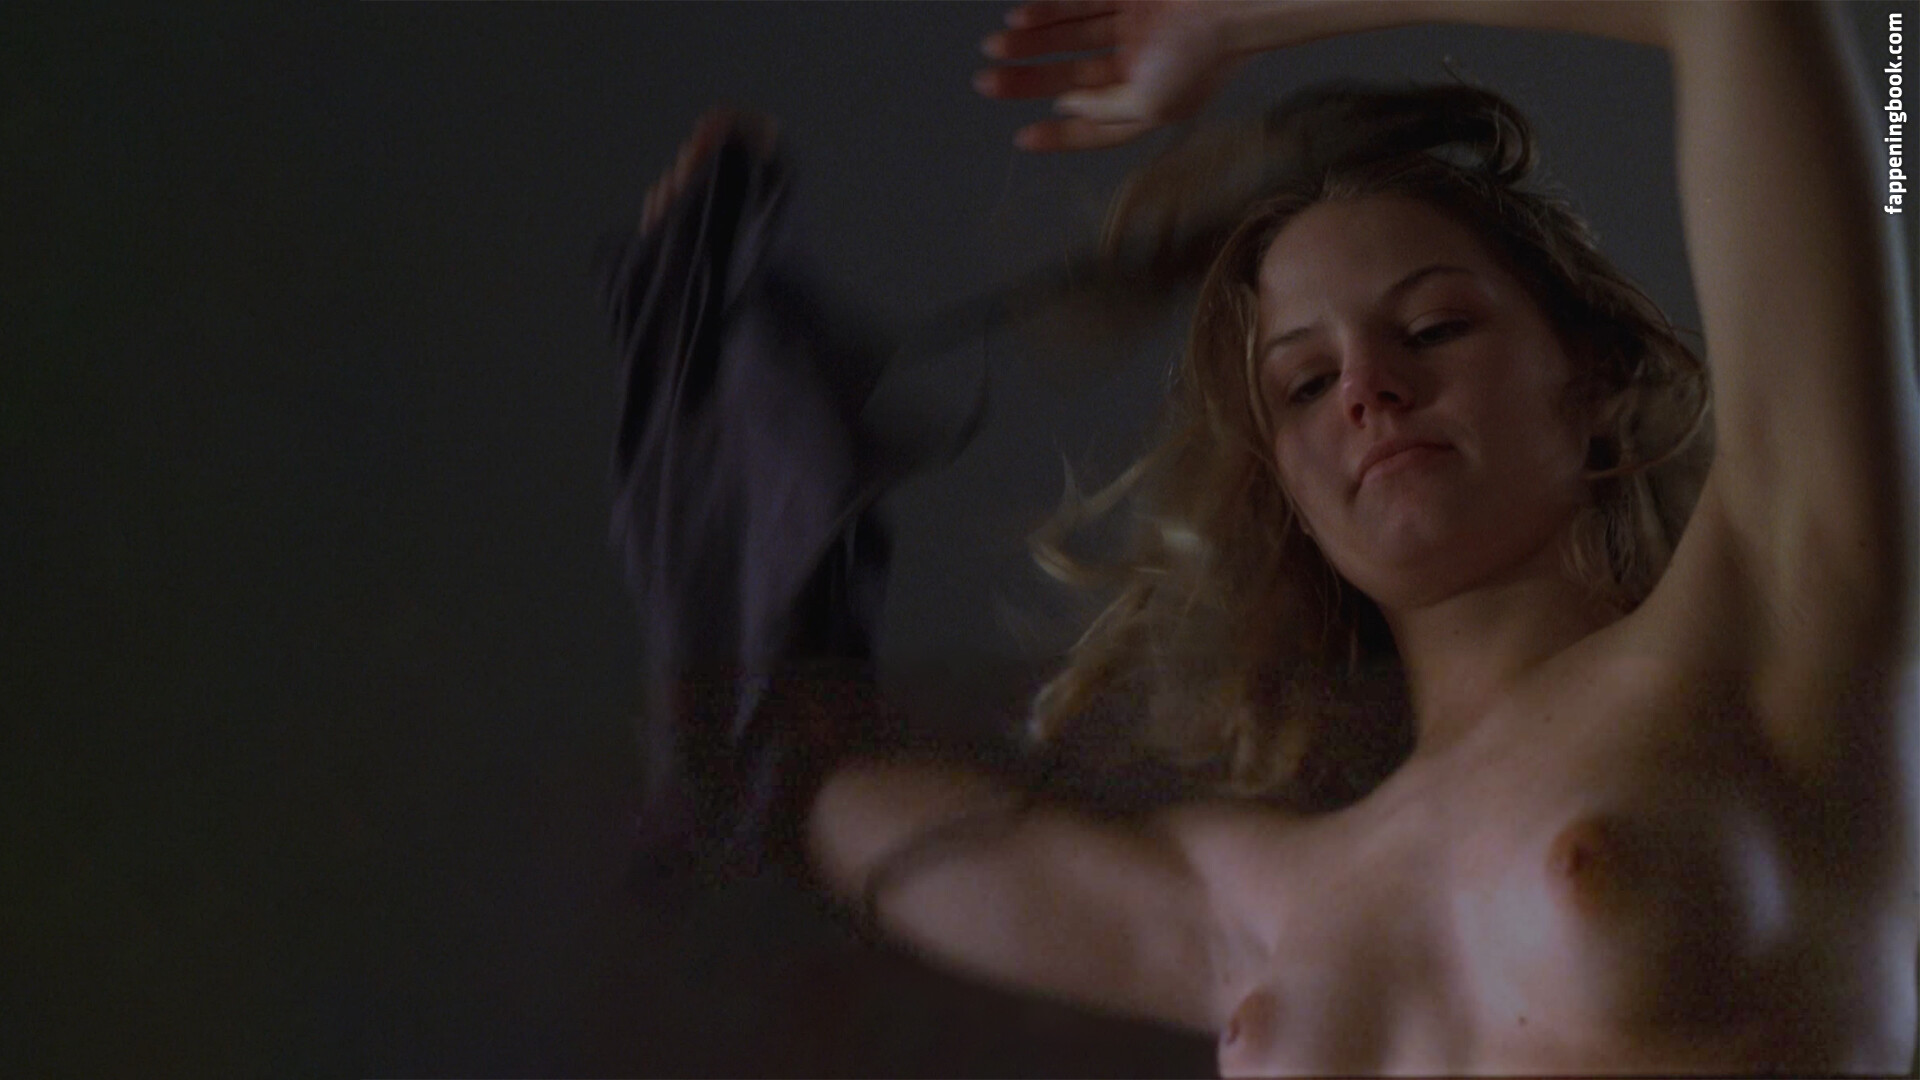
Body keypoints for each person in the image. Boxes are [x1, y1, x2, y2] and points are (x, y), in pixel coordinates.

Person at [609, 2, 1918, 1074]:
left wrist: (1233, 18)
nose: (1368, 389)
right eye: (1303, 383)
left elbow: (1743, 11)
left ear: (1594, 376)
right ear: (1284, 485)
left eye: (1433, 326)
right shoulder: (1249, 901)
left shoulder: (1780, 622)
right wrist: (714, 403)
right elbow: (796, 789)